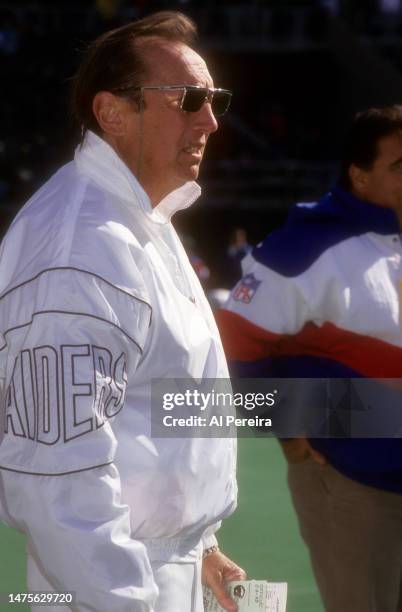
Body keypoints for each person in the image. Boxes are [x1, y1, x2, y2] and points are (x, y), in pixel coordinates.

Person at [0, 11, 245, 612]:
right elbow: (58, 479)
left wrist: (201, 544)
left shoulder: (141, 225)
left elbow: (160, 403)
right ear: (112, 112)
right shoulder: (79, 249)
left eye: (214, 99)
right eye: (188, 98)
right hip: (113, 585)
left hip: (161, 569)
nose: (209, 120)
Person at [217, 106, 402, 612]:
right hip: (353, 482)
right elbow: (234, 348)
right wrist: (293, 437)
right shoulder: (304, 246)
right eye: (400, 165)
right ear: (359, 176)